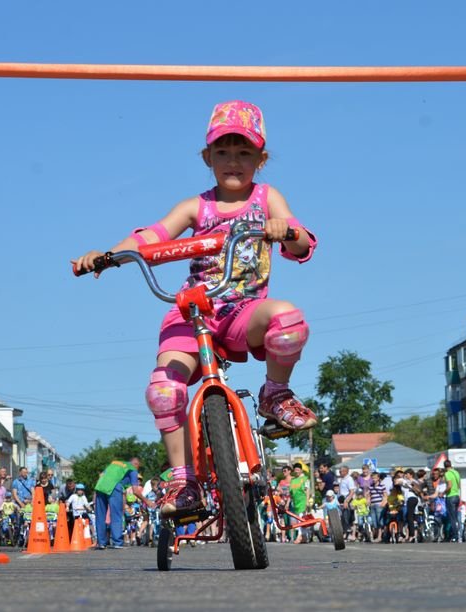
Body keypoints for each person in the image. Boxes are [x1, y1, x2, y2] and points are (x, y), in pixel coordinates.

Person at [73, 100, 318, 518]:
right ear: (208, 158)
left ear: (261, 158)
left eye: (244, 152)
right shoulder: (195, 207)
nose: (233, 161)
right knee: (164, 391)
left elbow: (301, 243)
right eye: (223, 152)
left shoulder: (266, 198)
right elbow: (152, 237)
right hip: (192, 315)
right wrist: (108, 255)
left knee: (289, 321)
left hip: (243, 312)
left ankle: (274, 393)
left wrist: (286, 231)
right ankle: (183, 480)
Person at [93, 457, 153, 550]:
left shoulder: (114, 463)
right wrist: (147, 501)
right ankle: (117, 542)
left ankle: (101, 542)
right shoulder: (132, 469)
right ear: (136, 464)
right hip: (115, 487)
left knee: (100, 516)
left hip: (100, 486)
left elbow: (101, 475)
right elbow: (135, 490)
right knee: (116, 515)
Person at [289, 462, 312, 544]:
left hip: (303, 501)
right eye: (295, 470)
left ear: (301, 470)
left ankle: (300, 536)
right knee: (299, 519)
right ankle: (304, 537)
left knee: (301, 519)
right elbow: (291, 493)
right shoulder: (293, 480)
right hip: (295, 503)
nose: (296, 471)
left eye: (298, 469)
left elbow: (307, 490)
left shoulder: (305, 479)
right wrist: (288, 502)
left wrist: (307, 501)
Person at [442, 460, 462, 543]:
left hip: (450, 496)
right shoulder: (456, 473)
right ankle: (459, 534)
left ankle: (455, 535)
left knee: (452, 518)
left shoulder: (447, 474)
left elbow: (449, 485)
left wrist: (443, 492)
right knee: (456, 517)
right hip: (457, 495)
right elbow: (459, 485)